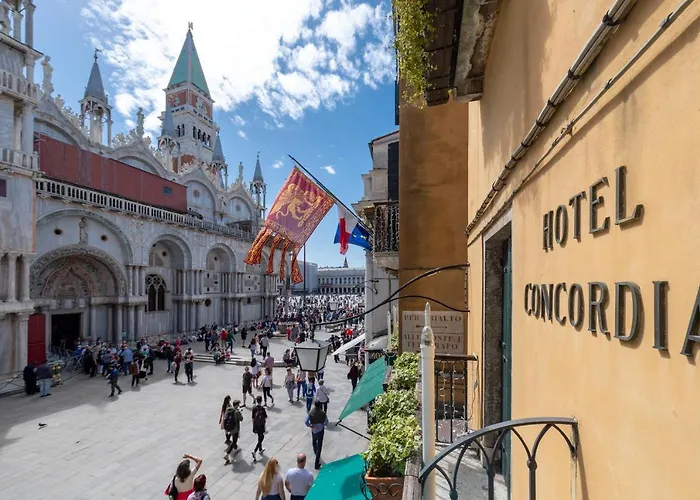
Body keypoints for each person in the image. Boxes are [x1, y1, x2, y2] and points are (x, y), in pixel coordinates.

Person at [306, 401, 328, 469]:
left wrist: (311, 426)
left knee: (314, 441)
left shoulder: (311, 412)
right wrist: (322, 425)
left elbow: (306, 422)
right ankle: (316, 462)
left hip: (314, 430)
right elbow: (326, 422)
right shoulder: (323, 413)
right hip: (320, 431)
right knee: (319, 445)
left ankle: (316, 452)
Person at [223, 399, 244, 465]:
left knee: (234, 439)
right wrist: (240, 412)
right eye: (239, 405)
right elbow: (241, 419)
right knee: (234, 441)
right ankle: (227, 454)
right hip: (235, 429)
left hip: (229, 428)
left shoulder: (228, 410)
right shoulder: (237, 412)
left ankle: (235, 448)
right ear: (237, 405)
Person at [251, 396, 268, 463]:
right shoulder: (262, 408)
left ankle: (260, 449)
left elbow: (252, 418)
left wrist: (253, 425)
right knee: (262, 437)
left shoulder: (254, 408)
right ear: (261, 401)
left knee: (259, 436)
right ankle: (255, 450)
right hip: (261, 425)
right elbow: (265, 417)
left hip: (256, 425)